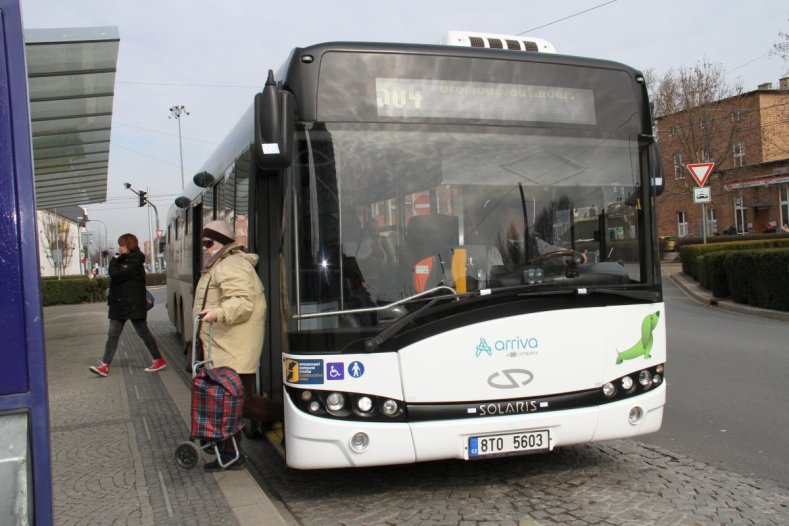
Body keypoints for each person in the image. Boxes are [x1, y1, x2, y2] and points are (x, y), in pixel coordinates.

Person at [194, 220, 281, 471]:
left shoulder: (230, 265)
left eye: (208, 243)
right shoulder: (222, 264)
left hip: (233, 348)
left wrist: (218, 313)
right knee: (229, 402)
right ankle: (229, 453)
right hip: (226, 345)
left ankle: (290, 413)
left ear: (221, 242)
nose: (205, 248)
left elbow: (242, 303)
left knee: (242, 402)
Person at [89, 233, 166, 377]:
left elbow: (115, 274)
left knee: (143, 332)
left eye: (122, 245)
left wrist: (113, 260)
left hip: (132, 305)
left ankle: (159, 359)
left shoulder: (134, 261)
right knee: (113, 334)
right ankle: (105, 366)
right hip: (120, 305)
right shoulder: (125, 260)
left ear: (129, 246)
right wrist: (117, 259)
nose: (119, 248)